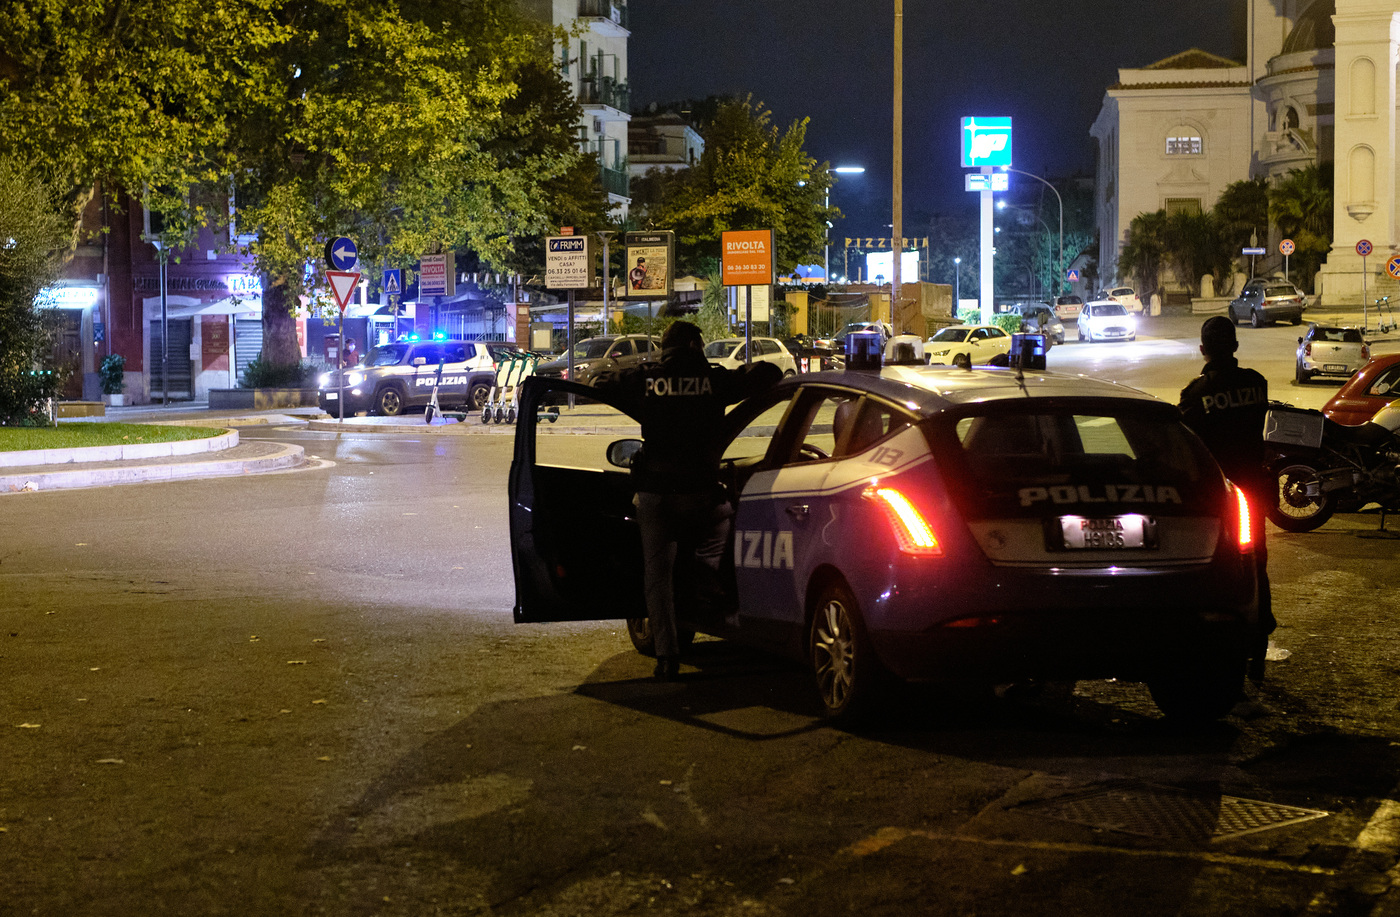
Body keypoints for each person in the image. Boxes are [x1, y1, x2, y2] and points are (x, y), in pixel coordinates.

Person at [592, 321, 781, 680]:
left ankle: (666, 656)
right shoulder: (713, 381)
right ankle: (709, 595)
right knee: (725, 524)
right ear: (695, 346)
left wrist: (643, 378)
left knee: (656, 575)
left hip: (655, 495)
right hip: (700, 494)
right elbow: (768, 373)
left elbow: (600, 383)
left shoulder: (647, 380)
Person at [1178, 315, 1274, 680]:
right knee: (1257, 564)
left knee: (1215, 565)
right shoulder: (1257, 383)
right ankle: (1258, 645)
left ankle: (1215, 646)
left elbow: (1187, 444)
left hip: (1219, 495)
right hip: (1254, 488)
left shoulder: (1195, 394)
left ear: (1203, 350)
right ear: (1234, 346)